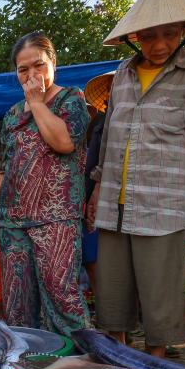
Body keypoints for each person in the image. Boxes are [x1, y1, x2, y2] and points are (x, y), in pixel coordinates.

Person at [86, 0, 185, 358]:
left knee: (159, 304)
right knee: (112, 300)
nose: (160, 44)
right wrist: (98, 187)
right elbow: (109, 135)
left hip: (162, 206)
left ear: (184, 30)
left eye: (169, 34)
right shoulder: (122, 74)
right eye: (149, 36)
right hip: (114, 206)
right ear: (136, 38)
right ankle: (119, 368)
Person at [0, 32, 90, 335]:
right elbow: (4, 166)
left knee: (62, 296)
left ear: (53, 63)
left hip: (55, 219)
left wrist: (37, 102)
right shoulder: (12, 115)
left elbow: (64, 142)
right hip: (12, 221)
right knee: (17, 302)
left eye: (39, 66)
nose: (32, 75)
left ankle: (81, 364)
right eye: (23, 70)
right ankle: (26, 365)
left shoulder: (72, 98)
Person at [82, 71, 116, 302]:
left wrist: (97, 190)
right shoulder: (103, 121)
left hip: (106, 200)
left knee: (101, 261)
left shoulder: (117, 121)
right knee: (91, 259)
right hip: (91, 199)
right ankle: (107, 314)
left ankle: (115, 318)